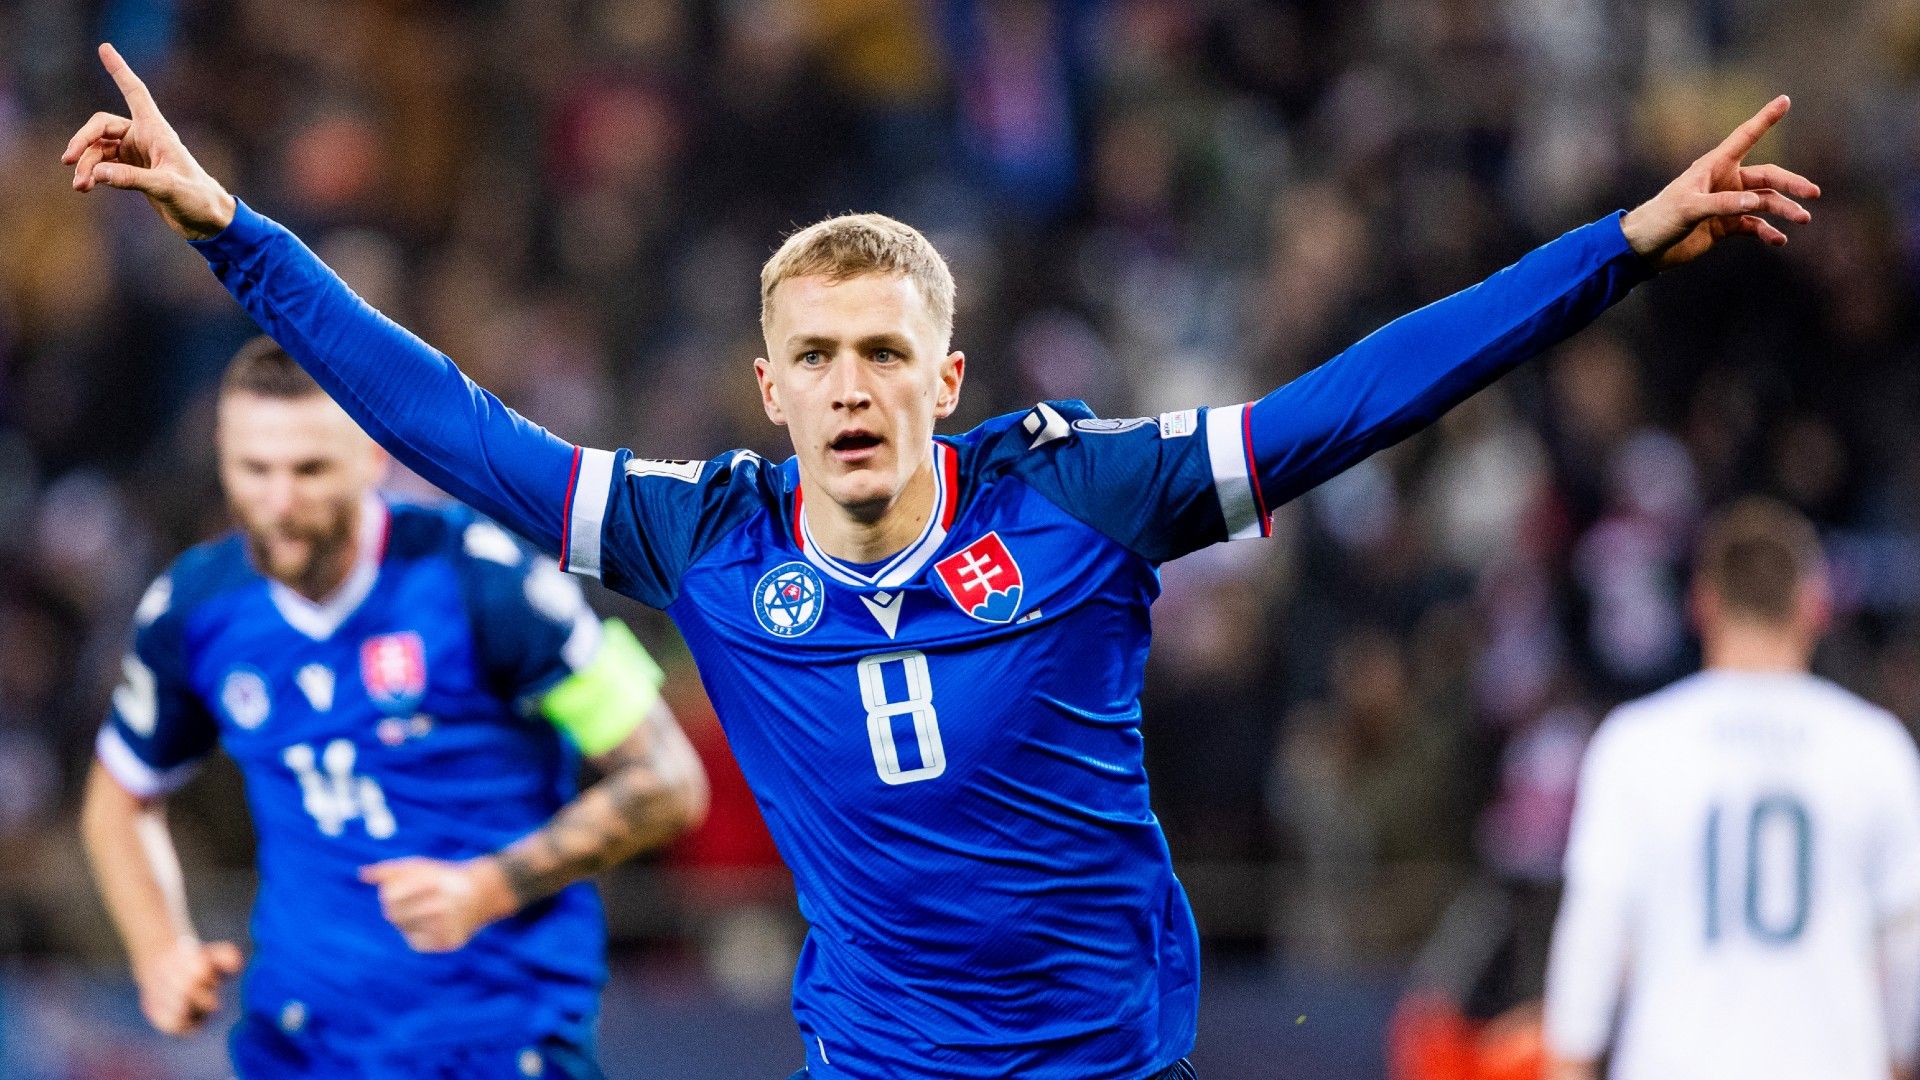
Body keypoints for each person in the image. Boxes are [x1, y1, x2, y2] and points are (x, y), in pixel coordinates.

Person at [64, 41, 1818, 1079]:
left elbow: (1360, 399)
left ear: (945, 378)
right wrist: (233, 232)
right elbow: (446, 421)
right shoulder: (707, 537)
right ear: (769, 386)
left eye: (884, 354)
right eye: (817, 358)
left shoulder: (1084, 499)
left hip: (1111, 1062)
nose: (851, 389)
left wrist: (1626, 244)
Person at [79, 336, 709, 1078]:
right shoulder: (196, 608)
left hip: (497, 1040)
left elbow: (668, 780)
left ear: (372, 456)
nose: (279, 502)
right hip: (301, 1043)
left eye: (309, 470)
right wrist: (159, 950)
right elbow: (119, 798)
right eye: (254, 470)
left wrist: (489, 886)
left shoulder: (487, 582)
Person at [1541, 498, 1920, 1080]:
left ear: (1702, 605)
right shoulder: (1874, 747)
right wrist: (1897, 1056)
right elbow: (1906, 939)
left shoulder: (1637, 743)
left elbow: (1594, 930)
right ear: (1815, 607)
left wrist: (1570, 1060)